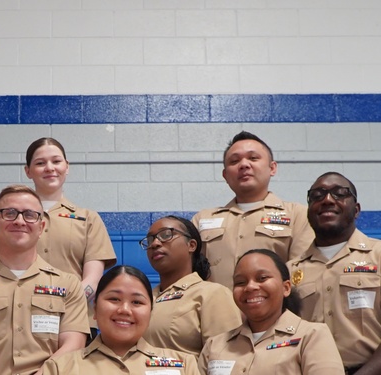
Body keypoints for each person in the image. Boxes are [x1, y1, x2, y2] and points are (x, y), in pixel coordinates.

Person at [0, 137, 116, 340]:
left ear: (67, 167)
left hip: (74, 321)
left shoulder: (88, 219)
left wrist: (64, 303)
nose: (49, 168)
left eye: (56, 161)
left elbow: (92, 280)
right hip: (15, 322)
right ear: (28, 171)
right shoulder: (9, 218)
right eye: (40, 163)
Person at [0, 184, 89, 375]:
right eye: (10, 213)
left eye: (29, 215)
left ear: (41, 226)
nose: (20, 221)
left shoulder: (68, 285)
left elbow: (73, 347)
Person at [191, 131, 313, 289]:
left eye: (253, 158)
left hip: (275, 312)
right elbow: (191, 276)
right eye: (234, 161)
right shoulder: (202, 219)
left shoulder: (298, 215)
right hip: (217, 312)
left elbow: (301, 274)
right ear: (225, 175)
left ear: (272, 168)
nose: (244, 165)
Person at [287, 172, 381, 375]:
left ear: (356, 210)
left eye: (339, 193)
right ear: (309, 211)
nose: (327, 200)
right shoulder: (289, 271)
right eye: (317, 195)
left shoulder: (379, 256)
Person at [199, 249, 344, 374]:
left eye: (262, 278)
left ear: (286, 288)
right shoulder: (215, 345)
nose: (250, 287)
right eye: (240, 282)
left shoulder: (311, 336)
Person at [41, 265, 200, 375]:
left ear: (150, 312)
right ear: (95, 309)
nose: (124, 309)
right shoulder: (59, 368)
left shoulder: (184, 365)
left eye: (137, 302)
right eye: (114, 299)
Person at [140, 216, 242, 357]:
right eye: (150, 240)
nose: (155, 243)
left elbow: (225, 359)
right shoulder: (143, 299)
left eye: (166, 235)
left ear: (191, 245)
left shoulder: (212, 294)